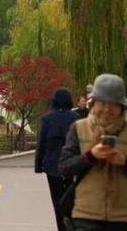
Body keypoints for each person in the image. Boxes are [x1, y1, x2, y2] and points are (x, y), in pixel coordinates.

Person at [59, 74, 127, 231]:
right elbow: (64, 167)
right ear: (93, 103)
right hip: (86, 214)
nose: (107, 109)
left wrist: (125, 162)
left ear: (122, 107)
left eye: (114, 104)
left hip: (124, 216)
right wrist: (91, 156)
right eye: (102, 103)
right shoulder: (78, 128)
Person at [34, 88, 79, 231]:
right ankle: (70, 221)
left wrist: (38, 165)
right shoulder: (76, 117)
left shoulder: (46, 119)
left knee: (57, 199)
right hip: (71, 165)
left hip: (52, 165)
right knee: (71, 197)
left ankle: (62, 226)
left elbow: (41, 143)